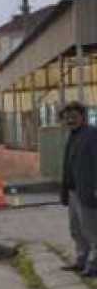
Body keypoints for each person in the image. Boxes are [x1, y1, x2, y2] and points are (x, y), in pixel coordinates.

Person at [59, 102, 97, 276]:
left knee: (91, 230)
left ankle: (94, 265)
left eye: (73, 116)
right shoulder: (73, 135)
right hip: (74, 191)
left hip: (88, 190)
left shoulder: (92, 134)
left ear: (83, 116)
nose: (70, 120)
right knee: (76, 229)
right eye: (67, 117)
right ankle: (81, 260)